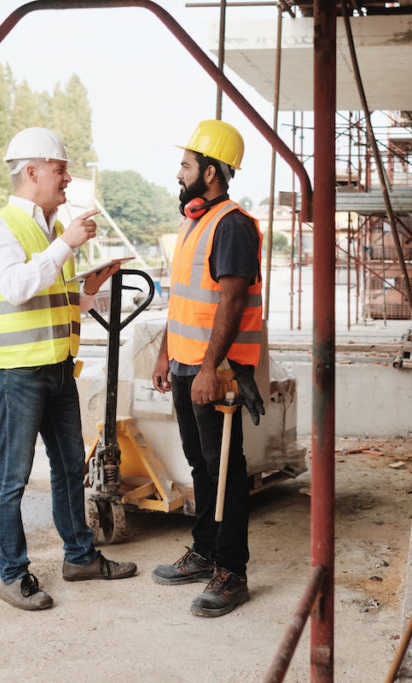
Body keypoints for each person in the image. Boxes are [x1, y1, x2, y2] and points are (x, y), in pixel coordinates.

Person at [0, 126, 136, 611]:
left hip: (57, 367)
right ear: (32, 171)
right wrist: (65, 245)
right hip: (15, 374)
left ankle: (80, 557)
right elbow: (17, 287)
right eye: (60, 169)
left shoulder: (48, 232)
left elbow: (58, 301)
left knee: (69, 467)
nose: (67, 179)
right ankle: (12, 574)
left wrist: (91, 289)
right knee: (13, 477)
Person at [150, 120, 266, 618]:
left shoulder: (233, 225)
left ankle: (231, 572)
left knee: (225, 472)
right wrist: (164, 353)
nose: (179, 173)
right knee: (200, 465)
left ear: (212, 173)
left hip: (214, 371)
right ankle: (204, 552)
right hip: (184, 363)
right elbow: (184, 302)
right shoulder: (195, 221)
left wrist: (209, 367)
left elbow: (232, 301)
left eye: (187, 165)